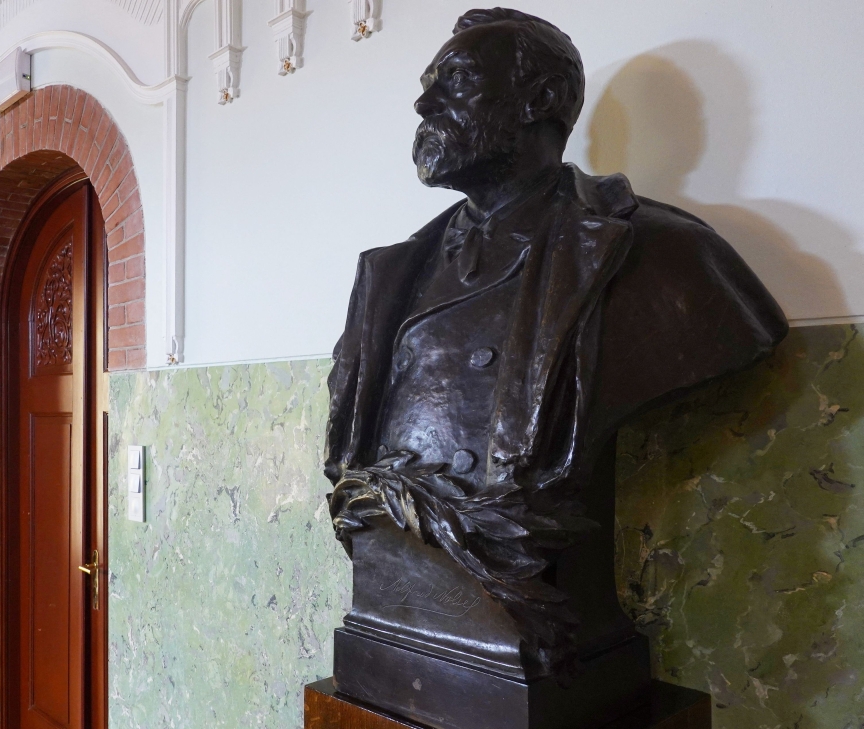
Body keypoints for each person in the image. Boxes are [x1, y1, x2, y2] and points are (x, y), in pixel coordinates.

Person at [324, 5, 787, 705]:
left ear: (537, 99)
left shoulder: (664, 258)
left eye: (454, 80)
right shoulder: (387, 275)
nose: (423, 101)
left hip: (541, 660)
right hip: (394, 635)